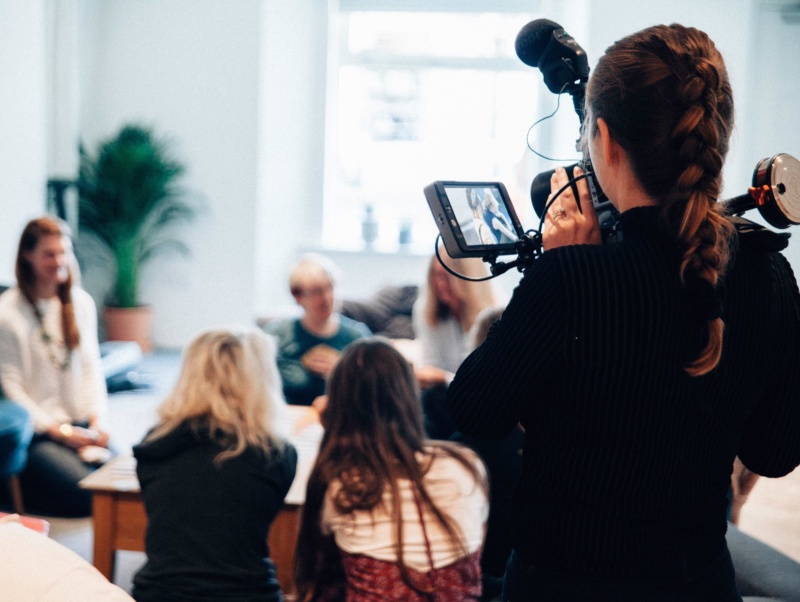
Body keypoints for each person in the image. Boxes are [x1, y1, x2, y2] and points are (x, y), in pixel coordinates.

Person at [447, 23, 800, 601]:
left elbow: (475, 409)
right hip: (699, 585)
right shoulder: (767, 272)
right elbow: (776, 450)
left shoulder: (570, 278)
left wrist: (551, 274)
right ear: (718, 138)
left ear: (603, 140)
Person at [294, 338, 489, 601]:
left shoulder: (342, 481)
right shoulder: (465, 464)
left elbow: (314, 573)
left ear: (339, 406)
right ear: (409, 396)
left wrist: (327, 428)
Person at [132, 327, 297, 602]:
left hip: (158, 594)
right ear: (261, 380)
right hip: (248, 595)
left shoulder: (153, 446)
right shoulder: (277, 454)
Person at [0, 216, 110, 517]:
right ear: (27, 255)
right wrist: (60, 432)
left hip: (81, 425)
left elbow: (91, 370)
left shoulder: (80, 303)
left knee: (125, 479)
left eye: (64, 252)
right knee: (87, 495)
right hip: (41, 433)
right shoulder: (7, 314)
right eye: (50, 254)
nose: (59, 260)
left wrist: (97, 421)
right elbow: (13, 391)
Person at [264, 254, 370, 406]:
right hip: (289, 418)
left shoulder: (358, 337)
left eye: (330, 287)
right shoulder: (275, 335)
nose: (327, 298)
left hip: (341, 421)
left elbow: (373, 391)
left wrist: (342, 371)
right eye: (317, 292)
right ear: (298, 296)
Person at [412, 253, 497, 439]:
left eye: (447, 276)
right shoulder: (426, 313)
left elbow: (488, 388)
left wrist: (444, 378)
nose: (441, 284)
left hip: (481, 407)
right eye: (436, 275)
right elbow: (430, 364)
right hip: (442, 401)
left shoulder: (495, 317)